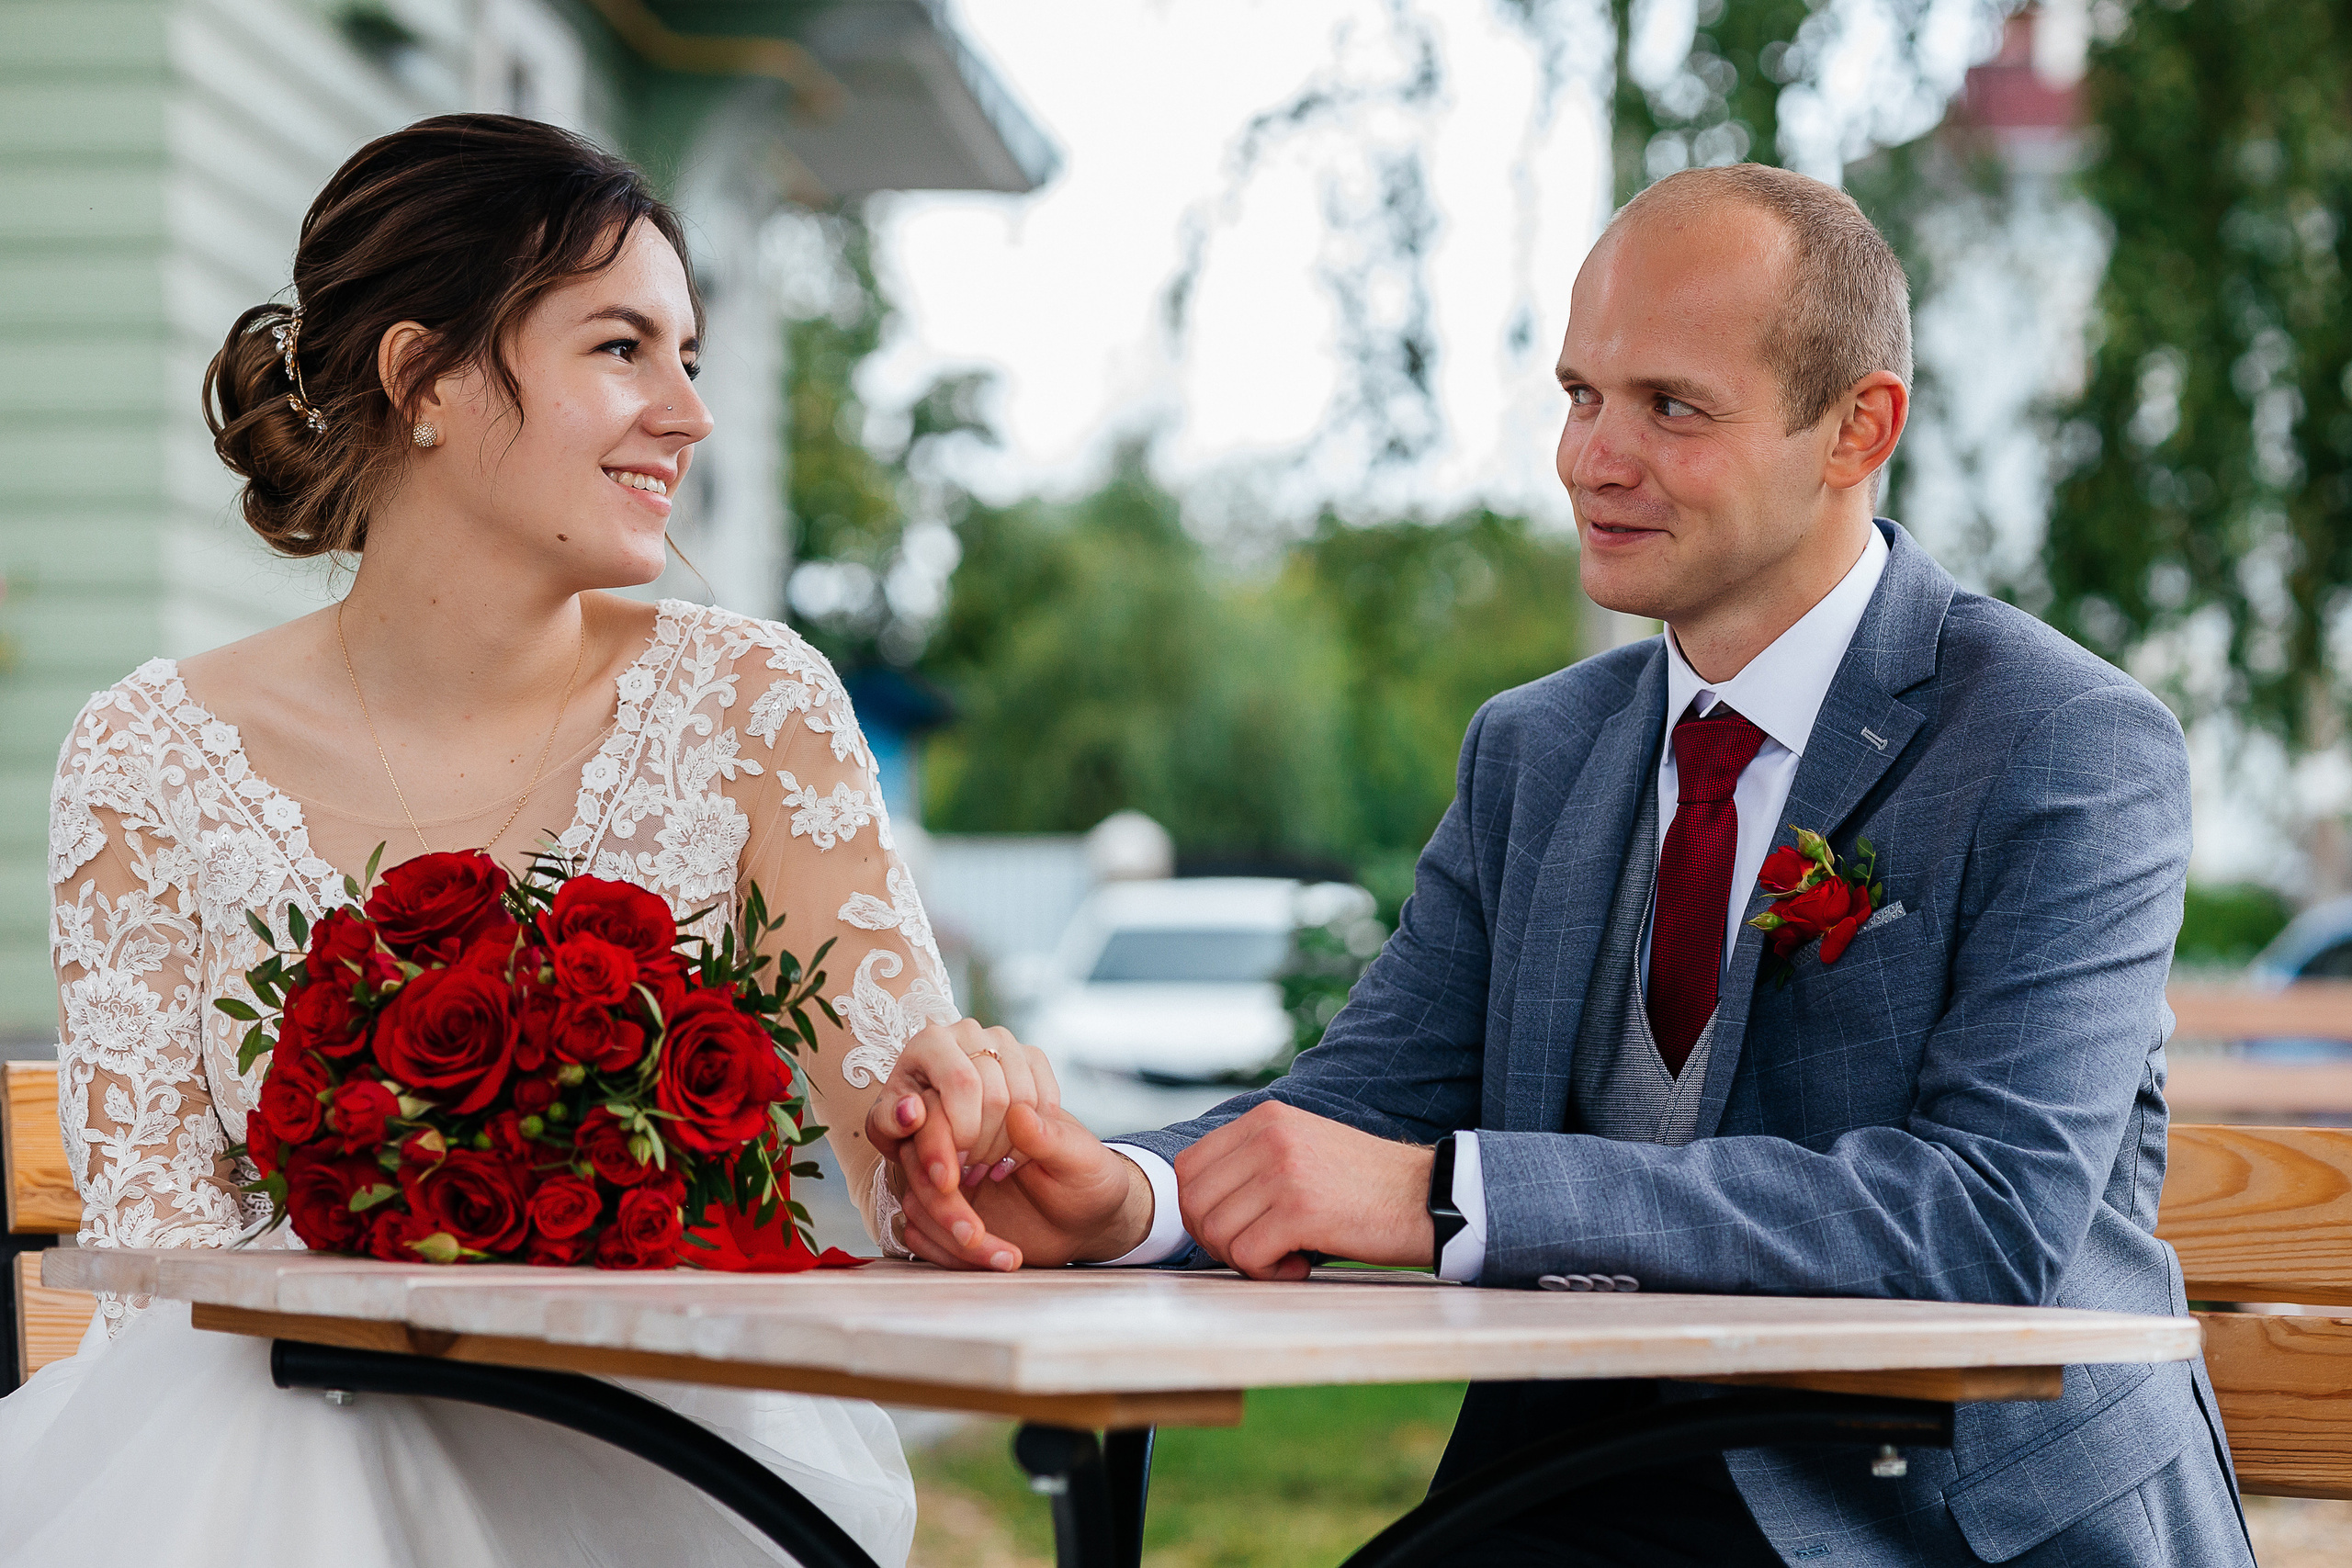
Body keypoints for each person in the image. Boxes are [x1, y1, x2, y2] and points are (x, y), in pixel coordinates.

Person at [887, 164, 2256, 1566]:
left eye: (1670, 406)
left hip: (1934, 1517)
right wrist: (1131, 1197)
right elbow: (1363, 1099)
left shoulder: (2065, 742)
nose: (1590, 459)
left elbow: (1984, 1219)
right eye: (1579, 395)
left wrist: (1449, 1197)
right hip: (1573, 1485)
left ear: (1858, 428)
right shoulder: (1535, 751)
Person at [0, 114, 1055, 1568]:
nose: (687, 415)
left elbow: (903, 1169)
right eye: (623, 350)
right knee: (286, 1419)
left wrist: (957, 1125)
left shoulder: (753, 709)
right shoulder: (148, 760)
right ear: (423, 378)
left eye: (688, 358)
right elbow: (156, 1281)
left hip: (671, 1454)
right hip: (272, 1447)